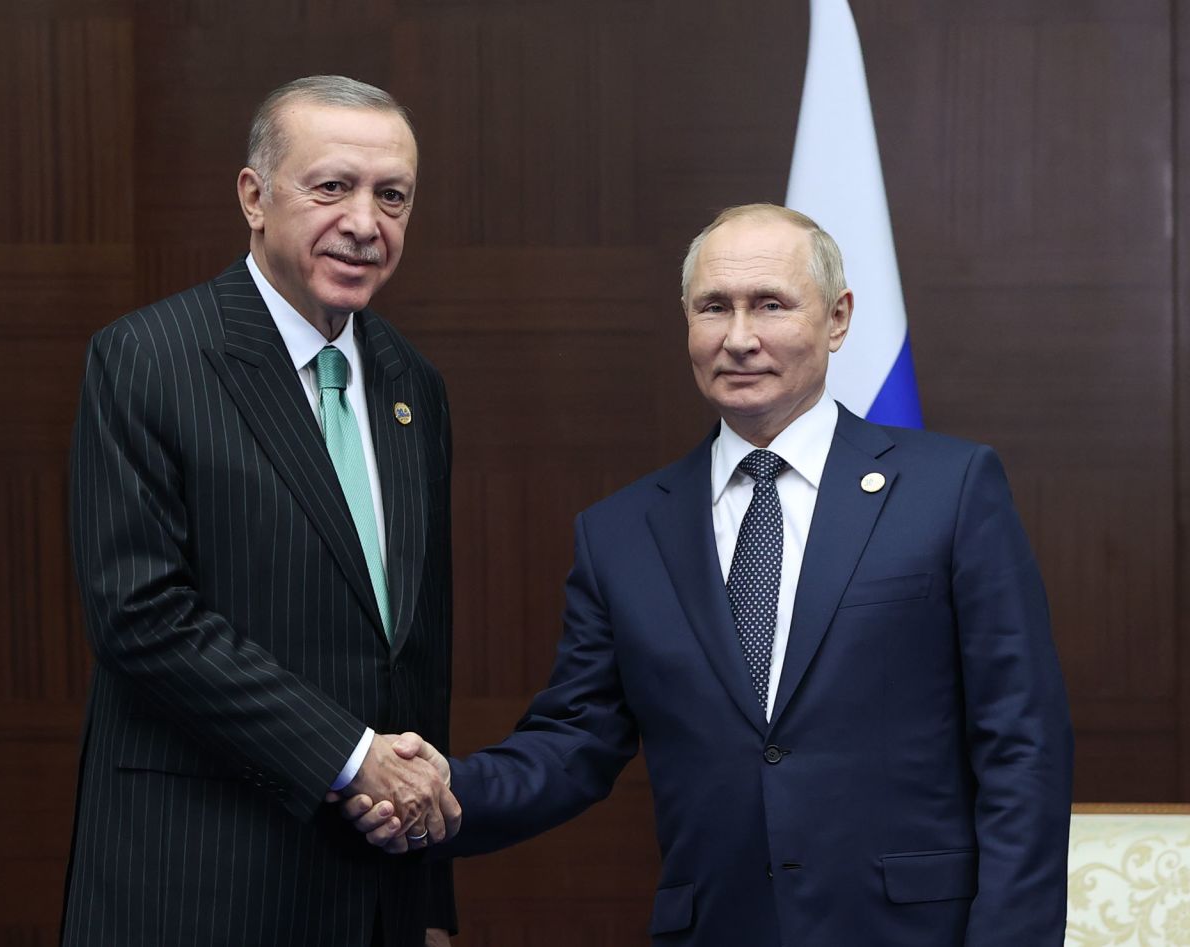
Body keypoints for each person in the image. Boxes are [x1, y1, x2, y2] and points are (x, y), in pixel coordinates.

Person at [346, 204, 1074, 946]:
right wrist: (439, 793)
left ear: (839, 318)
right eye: (714, 307)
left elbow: (1022, 744)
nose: (739, 338)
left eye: (771, 305)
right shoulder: (622, 533)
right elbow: (573, 744)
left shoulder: (950, 489)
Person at [61, 75, 460, 947]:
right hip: (200, 880)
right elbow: (141, 618)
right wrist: (356, 757)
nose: (365, 222)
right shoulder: (149, 359)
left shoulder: (410, 385)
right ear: (253, 196)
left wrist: (429, 892)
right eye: (331, 187)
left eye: (392, 196)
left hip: (374, 889)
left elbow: (414, 652)